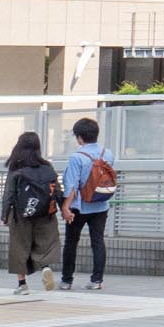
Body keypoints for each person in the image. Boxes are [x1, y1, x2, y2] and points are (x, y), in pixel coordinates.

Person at [0, 132, 66, 298]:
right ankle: (45, 268)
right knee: (44, 242)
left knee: (19, 247)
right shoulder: (47, 167)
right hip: (45, 213)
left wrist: (4, 214)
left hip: (20, 214)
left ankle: (22, 285)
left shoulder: (16, 168)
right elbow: (56, 190)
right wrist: (63, 207)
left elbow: (9, 193)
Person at [60, 116, 116, 291]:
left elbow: (71, 186)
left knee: (71, 242)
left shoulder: (77, 157)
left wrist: (65, 207)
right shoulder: (107, 153)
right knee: (98, 241)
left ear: (79, 137)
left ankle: (67, 280)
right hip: (101, 204)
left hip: (79, 206)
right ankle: (97, 280)